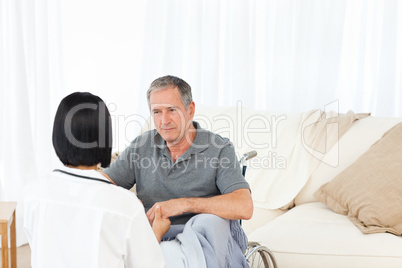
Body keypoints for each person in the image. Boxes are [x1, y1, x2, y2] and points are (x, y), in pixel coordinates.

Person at [104, 76, 253, 266]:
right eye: (156, 112)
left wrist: (184, 204)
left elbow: (244, 206)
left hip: (201, 243)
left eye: (171, 110)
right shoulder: (142, 146)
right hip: (154, 237)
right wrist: (128, 203)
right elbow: (102, 184)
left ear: (190, 110)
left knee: (209, 222)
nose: (163, 120)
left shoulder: (219, 148)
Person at [24, 92, 170, 268]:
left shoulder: (33, 193)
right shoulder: (125, 205)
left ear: (57, 135)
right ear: (105, 139)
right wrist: (156, 233)